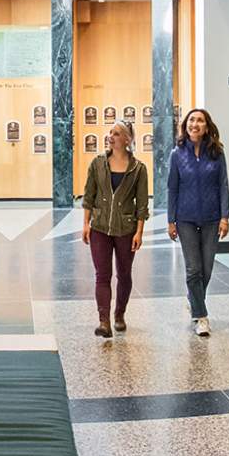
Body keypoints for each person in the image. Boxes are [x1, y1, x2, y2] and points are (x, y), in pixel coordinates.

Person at [82, 120, 149, 337]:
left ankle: (119, 314)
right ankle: (104, 321)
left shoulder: (138, 169)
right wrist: (86, 223)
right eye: (111, 132)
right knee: (102, 274)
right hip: (100, 226)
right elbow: (88, 195)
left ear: (127, 139)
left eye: (117, 133)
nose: (111, 136)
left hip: (126, 229)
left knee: (124, 274)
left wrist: (139, 232)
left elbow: (142, 205)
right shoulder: (97, 163)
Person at [167, 108, 229, 336]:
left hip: (212, 218)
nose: (195, 124)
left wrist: (225, 216)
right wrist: (170, 220)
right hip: (185, 219)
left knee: (206, 268)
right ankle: (201, 316)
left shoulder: (216, 153)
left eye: (200, 120)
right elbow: (172, 188)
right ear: (186, 125)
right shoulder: (177, 154)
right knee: (193, 269)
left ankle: (193, 300)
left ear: (206, 126)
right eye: (192, 120)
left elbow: (223, 185)